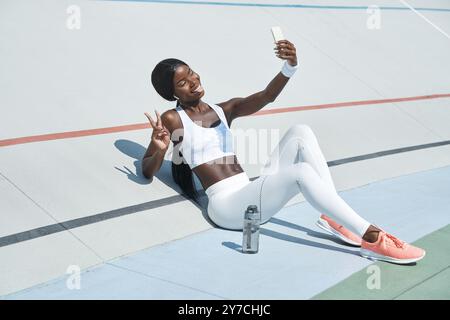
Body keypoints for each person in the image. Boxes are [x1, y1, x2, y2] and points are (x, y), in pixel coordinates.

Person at [143, 39, 425, 265]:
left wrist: (290, 66)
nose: (192, 81)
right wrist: (158, 148)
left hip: (249, 193)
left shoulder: (223, 109)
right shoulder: (172, 118)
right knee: (300, 172)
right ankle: (373, 238)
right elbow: (147, 169)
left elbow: (266, 96)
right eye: (182, 82)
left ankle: (335, 219)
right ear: (173, 95)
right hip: (228, 208)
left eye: (191, 72)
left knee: (301, 132)